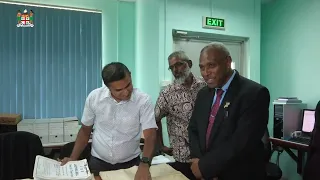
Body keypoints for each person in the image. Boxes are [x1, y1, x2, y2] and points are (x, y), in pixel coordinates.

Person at [61, 62, 158, 180]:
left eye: (128, 85)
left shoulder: (143, 101)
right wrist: (73, 158)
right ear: (108, 87)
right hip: (98, 163)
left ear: (130, 76)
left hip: (131, 164)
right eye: (119, 90)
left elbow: (150, 135)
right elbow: (85, 131)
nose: (126, 92)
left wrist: (145, 164)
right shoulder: (94, 98)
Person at [188, 42, 270, 180]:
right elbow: (194, 129)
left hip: (239, 174)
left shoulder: (254, 93)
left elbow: (241, 143)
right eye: (202, 67)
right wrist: (199, 162)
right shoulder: (203, 94)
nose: (206, 73)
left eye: (211, 65)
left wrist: (205, 167)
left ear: (227, 62)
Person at [155, 51, 206, 180]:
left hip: (206, 154)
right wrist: (160, 145)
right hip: (182, 156)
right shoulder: (167, 94)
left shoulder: (205, 86)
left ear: (189, 64)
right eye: (171, 67)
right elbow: (154, 119)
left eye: (178, 65)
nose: (175, 70)